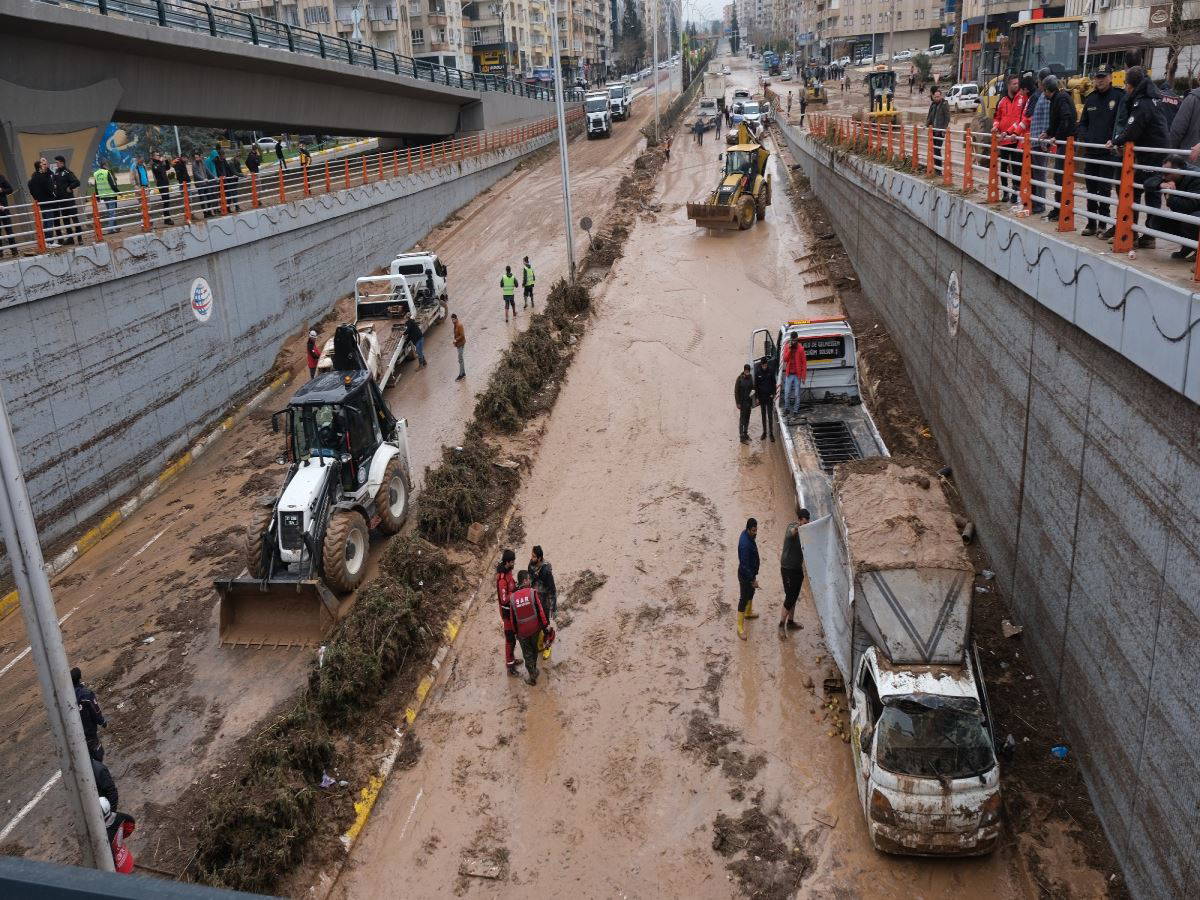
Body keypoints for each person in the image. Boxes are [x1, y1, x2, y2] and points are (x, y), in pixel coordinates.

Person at [1110, 66, 1169, 249]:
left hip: (1152, 154)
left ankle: (1135, 233)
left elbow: (1132, 128)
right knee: (1146, 192)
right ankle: (1143, 234)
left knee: (1138, 191)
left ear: (1131, 85)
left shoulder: (1143, 102)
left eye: (1126, 84)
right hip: (1153, 152)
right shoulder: (1152, 98)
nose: (1126, 89)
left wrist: (1115, 141)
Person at [1076, 66, 1120, 237]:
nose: (1099, 80)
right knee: (1091, 189)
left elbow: (1120, 122)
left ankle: (1103, 222)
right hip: (1091, 151)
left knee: (1104, 188)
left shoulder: (1118, 97)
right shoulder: (1091, 99)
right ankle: (1091, 222)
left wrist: (1114, 140)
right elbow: (1083, 123)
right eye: (1097, 77)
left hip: (1107, 153)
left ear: (1110, 77)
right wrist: (1085, 137)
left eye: (1103, 77)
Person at [1042, 75, 1077, 223]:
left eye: (1044, 90)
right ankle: (1058, 208)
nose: (1043, 93)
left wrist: (1057, 136)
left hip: (1066, 143)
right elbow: (1056, 120)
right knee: (1058, 176)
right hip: (1062, 141)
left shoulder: (1061, 99)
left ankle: (1062, 209)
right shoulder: (1056, 99)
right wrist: (1049, 132)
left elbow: (1066, 119)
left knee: (1062, 177)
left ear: (1047, 90)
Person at [1150, 157, 1200, 259]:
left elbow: (1190, 206)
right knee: (1156, 221)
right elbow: (1148, 183)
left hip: (1195, 213)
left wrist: (1170, 197)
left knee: (1191, 220)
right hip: (1185, 212)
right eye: (1162, 172)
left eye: (1167, 173)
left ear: (1179, 171)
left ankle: (1196, 249)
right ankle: (1189, 245)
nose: (1163, 176)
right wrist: (1161, 184)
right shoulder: (1168, 176)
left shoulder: (1196, 176)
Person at [509, 570, 551, 685]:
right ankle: (534, 671)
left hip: (522, 632)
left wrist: (515, 633)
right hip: (535, 630)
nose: (530, 581)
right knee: (534, 651)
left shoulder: (512, 598)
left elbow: (513, 619)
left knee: (527, 654)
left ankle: (532, 676)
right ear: (525, 580)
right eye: (528, 579)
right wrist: (545, 626)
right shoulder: (532, 593)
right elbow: (540, 611)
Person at [993, 75, 1029, 205]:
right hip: (1003, 140)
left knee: (1016, 167)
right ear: (1008, 85)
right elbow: (997, 117)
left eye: (1017, 83)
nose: (1016, 86)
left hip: (1015, 138)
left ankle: (1015, 194)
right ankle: (1005, 192)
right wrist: (995, 126)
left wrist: (1012, 131)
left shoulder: (1023, 99)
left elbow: (1022, 119)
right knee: (1002, 167)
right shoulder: (1001, 101)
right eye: (1013, 84)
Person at [778, 511, 810, 638]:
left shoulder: (806, 532)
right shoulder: (791, 527)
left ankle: (790, 623)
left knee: (794, 597)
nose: (806, 525)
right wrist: (800, 528)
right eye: (804, 522)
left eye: (808, 523)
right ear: (799, 520)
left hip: (797, 568)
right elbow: (791, 533)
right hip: (787, 569)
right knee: (790, 597)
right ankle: (781, 625)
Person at [1027, 69, 1051, 213]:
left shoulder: (1046, 98)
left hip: (1040, 143)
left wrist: (1043, 142)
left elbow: (1046, 121)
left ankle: (1040, 204)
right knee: (1036, 174)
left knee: (1040, 174)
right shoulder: (1041, 96)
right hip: (1035, 141)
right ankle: (1037, 202)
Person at [72, 666, 107, 761]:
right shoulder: (86, 694)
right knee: (97, 755)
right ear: (80, 678)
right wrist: (102, 721)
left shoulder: (67, 696)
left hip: (74, 733)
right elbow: (95, 710)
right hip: (89, 732)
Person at [495, 549, 520, 676]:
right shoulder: (502, 580)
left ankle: (512, 660)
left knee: (514, 638)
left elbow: (512, 586)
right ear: (507, 562)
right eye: (512, 561)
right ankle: (510, 667)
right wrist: (515, 593)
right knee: (510, 639)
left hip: (512, 611)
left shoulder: (508, 573)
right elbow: (504, 599)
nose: (514, 563)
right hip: (507, 614)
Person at [736, 517, 760, 640]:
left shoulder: (747, 535)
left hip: (751, 573)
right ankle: (740, 627)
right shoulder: (745, 545)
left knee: (751, 593)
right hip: (746, 576)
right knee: (743, 599)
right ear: (748, 529)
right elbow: (744, 565)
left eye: (756, 530)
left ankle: (748, 613)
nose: (755, 533)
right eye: (753, 531)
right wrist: (752, 579)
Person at [28, 160, 59, 248]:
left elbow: (30, 186)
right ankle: (50, 241)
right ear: (40, 167)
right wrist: (53, 193)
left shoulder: (33, 177)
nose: (44, 166)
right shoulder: (43, 177)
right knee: (49, 221)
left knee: (45, 221)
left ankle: (46, 240)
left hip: (40, 202)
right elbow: (49, 188)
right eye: (43, 164)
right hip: (47, 201)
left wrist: (36, 198)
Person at [52, 156, 81, 245]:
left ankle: (80, 238)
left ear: (62, 163)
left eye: (57, 162)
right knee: (66, 220)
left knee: (74, 219)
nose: (56, 164)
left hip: (69, 201)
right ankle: (70, 238)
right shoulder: (56, 173)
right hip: (61, 201)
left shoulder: (67, 172)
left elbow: (77, 182)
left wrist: (70, 187)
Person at [781, 331, 807, 415]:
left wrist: (803, 377)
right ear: (791, 339)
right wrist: (790, 349)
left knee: (797, 394)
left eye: (795, 340)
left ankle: (795, 410)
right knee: (787, 393)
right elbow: (785, 359)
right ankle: (786, 409)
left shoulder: (801, 349)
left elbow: (804, 363)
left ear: (797, 339)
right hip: (789, 374)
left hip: (797, 375)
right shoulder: (787, 347)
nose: (794, 342)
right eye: (792, 340)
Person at [528, 545, 557, 619]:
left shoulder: (546, 571)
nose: (532, 558)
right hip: (534, 598)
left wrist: (553, 609)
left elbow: (552, 590)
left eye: (534, 556)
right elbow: (529, 579)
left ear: (539, 558)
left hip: (544, 601)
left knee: (545, 620)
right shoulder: (531, 565)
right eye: (532, 555)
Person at [926, 87, 950, 174]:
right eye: (935, 97)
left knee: (937, 150)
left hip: (940, 131)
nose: (937, 98)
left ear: (941, 96)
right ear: (933, 96)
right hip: (933, 131)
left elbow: (947, 118)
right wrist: (926, 126)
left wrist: (943, 129)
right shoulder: (933, 105)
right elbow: (929, 117)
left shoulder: (944, 104)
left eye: (938, 96)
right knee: (933, 149)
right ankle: (935, 168)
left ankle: (938, 170)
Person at [753, 354, 776, 441]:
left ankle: (771, 434)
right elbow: (756, 387)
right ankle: (764, 433)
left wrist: (773, 394)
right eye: (763, 365)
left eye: (766, 365)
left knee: (770, 415)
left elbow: (774, 383)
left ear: (767, 364)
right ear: (761, 365)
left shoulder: (771, 371)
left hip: (769, 397)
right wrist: (757, 398)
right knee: (763, 415)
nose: (764, 366)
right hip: (761, 397)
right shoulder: (758, 372)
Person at [149, 152, 173, 226]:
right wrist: (161, 161)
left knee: (167, 201)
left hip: (165, 184)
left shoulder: (160, 163)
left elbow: (167, 168)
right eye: (157, 155)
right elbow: (158, 170)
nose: (159, 156)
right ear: (153, 157)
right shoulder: (154, 165)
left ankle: (167, 218)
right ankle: (167, 219)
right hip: (161, 185)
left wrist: (166, 161)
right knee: (165, 201)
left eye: (159, 155)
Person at [734, 364, 754, 444]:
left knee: (747, 419)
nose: (747, 372)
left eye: (748, 371)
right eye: (746, 371)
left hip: (749, 402)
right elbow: (736, 391)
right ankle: (741, 437)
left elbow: (753, 387)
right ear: (744, 370)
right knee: (742, 419)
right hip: (742, 402)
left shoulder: (751, 378)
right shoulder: (739, 379)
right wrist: (737, 403)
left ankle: (745, 434)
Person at [0, 171, 14, 256]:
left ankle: (14, 249)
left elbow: (10, 189)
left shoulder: (1, 177)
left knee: (9, 229)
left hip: (4, 208)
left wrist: (2, 190)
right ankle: (0, 252)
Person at [452, 312, 466, 380]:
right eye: (452, 320)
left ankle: (461, 375)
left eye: (453, 319)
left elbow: (462, 335)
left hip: (461, 344)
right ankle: (463, 373)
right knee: (461, 359)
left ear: (456, 318)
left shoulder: (459, 325)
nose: (452, 321)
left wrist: (456, 340)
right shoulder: (455, 325)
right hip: (458, 344)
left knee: (460, 360)